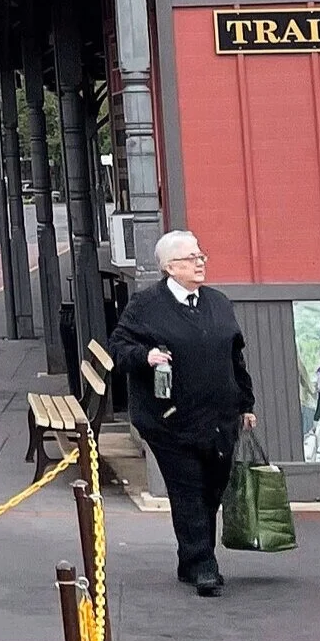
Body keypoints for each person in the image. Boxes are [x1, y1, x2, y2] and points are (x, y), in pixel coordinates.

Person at [106, 228, 255, 595]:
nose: (201, 262)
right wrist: (146, 356)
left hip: (220, 418)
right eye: (192, 258)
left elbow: (234, 357)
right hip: (169, 420)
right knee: (187, 489)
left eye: (201, 256)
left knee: (212, 489)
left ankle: (191, 558)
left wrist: (246, 404)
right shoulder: (146, 306)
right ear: (171, 267)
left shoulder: (218, 303)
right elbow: (119, 349)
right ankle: (204, 565)